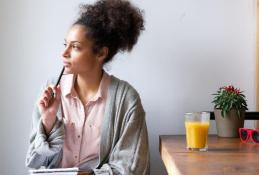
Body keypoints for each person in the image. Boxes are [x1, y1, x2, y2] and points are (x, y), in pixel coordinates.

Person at [25, 0, 149, 174]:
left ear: (101, 53)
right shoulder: (51, 89)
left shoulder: (127, 99)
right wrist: (48, 120)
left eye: (75, 47)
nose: (64, 53)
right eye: (65, 44)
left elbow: (133, 167)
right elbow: (36, 161)